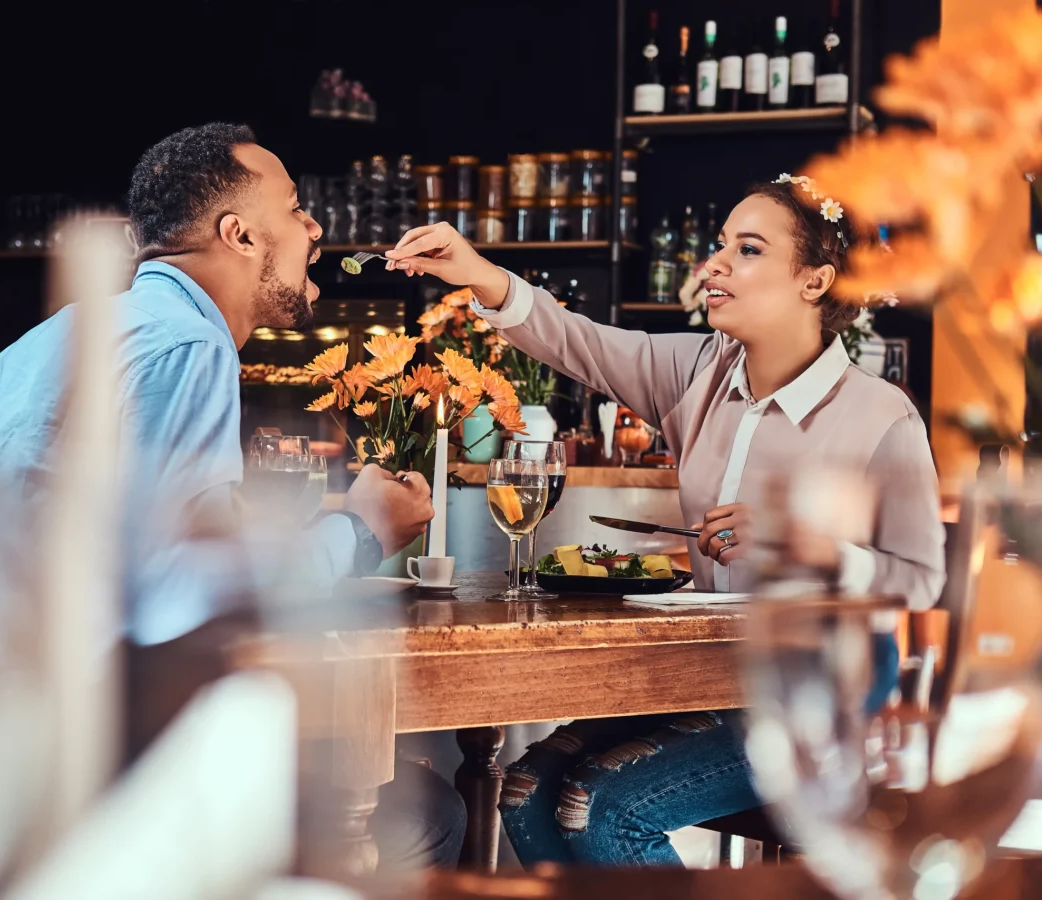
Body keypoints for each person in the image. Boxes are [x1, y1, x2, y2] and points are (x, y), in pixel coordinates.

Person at [384, 178, 945, 867]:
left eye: (748, 250)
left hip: (819, 692)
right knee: (525, 791)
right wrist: (475, 272)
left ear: (813, 280)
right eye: (718, 247)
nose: (714, 265)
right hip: (701, 674)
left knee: (602, 808)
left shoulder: (882, 415)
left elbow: (922, 581)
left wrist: (814, 546)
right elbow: (575, 341)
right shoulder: (696, 372)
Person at [0, 123, 464, 869]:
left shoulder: (53, 337)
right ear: (241, 235)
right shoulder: (191, 345)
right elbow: (170, 594)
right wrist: (360, 532)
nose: (315, 227)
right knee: (426, 810)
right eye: (295, 208)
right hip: (85, 762)